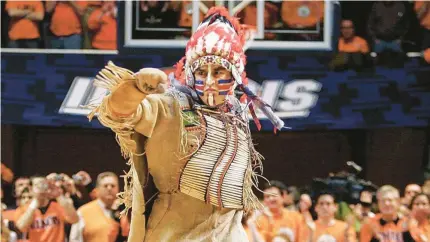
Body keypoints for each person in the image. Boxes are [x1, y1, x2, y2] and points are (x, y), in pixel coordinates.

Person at [88, 6, 284, 242]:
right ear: (191, 74)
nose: (209, 80)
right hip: (175, 235)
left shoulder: (237, 113)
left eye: (219, 70)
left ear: (235, 76)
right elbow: (116, 114)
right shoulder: (171, 106)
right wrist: (135, 88)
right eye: (201, 72)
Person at [13, 175, 79, 242]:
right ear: (31, 189)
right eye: (37, 185)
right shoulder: (24, 209)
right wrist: (35, 202)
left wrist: (59, 195)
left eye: (43, 184)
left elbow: (74, 220)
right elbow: (21, 227)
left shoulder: (58, 206)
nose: (41, 187)